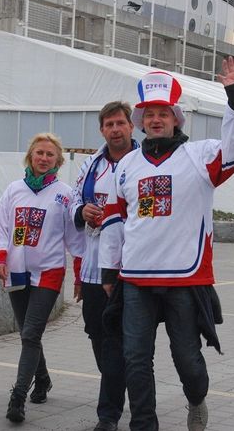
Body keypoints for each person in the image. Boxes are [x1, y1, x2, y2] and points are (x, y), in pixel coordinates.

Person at [98, 57, 234, 431]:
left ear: (175, 119)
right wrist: (108, 270)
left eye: (163, 113)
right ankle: (143, 425)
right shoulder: (126, 165)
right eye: (150, 114)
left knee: (187, 358)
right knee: (136, 358)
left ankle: (197, 398)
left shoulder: (200, 156)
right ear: (142, 121)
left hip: (185, 277)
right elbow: (114, 221)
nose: (156, 119)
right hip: (135, 278)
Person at [0, 132, 85, 424]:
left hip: (49, 272)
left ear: (58, 160)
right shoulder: (14, 190)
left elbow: (75, 238)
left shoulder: (65, 194)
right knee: (27, 333)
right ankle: (42, 379)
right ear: (30, 156)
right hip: (16, 271)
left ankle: (18, 396)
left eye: (50, 155)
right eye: (39, 153)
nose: (44, 159)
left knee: (31, 334)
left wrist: (80, 275)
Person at [71, 101, 138, 431]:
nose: (115, 129)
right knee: (97, 334)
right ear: (102, 130)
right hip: (93, 266)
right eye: (109, 124)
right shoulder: (90, 166)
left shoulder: (142, 163)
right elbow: (73, 200)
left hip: (131, 269)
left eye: (120, 123)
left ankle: (107, 415)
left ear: (131, 127)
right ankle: (116, 382)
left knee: (117, 341)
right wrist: (82, 210)